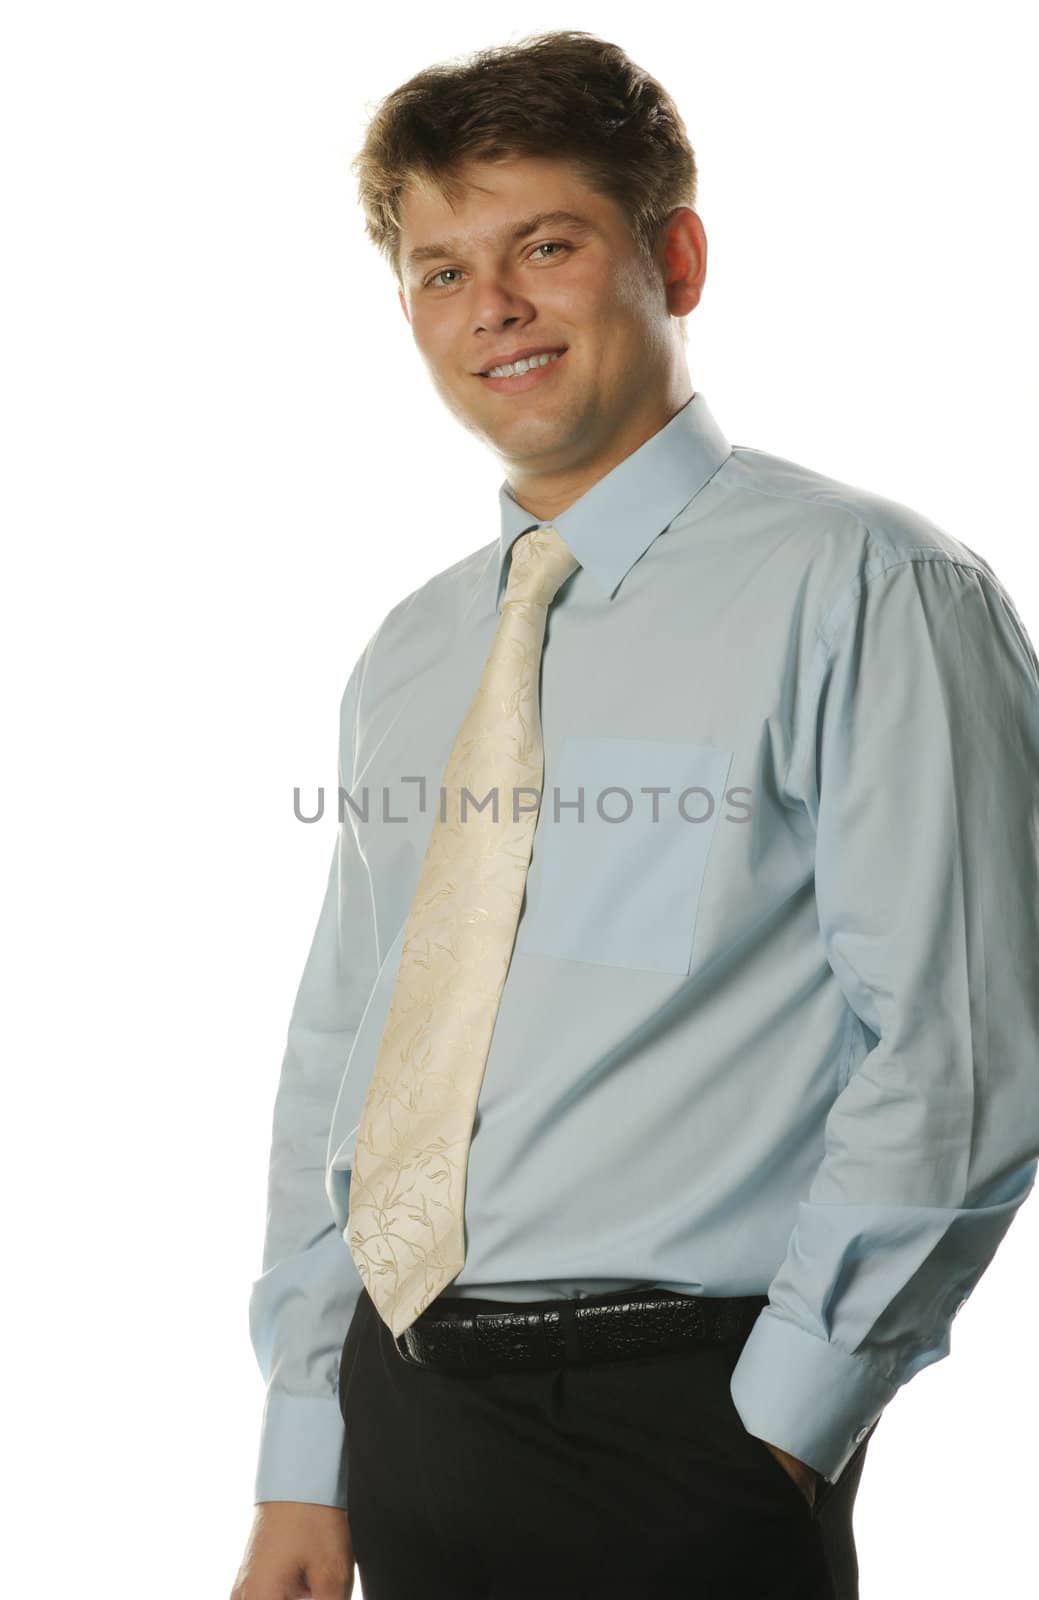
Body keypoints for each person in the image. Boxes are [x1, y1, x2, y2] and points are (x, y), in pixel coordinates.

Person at [229, 28, 1039, 1600]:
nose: (493, 310)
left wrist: (785, 1426)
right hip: (399, 1419)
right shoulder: (415, 649)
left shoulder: (870, 589)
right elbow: (349, 1054)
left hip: (680, 1430)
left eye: (547, 245)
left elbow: (966, 1039)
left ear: (674, 255)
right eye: (440, 269)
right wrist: (304, 1444)